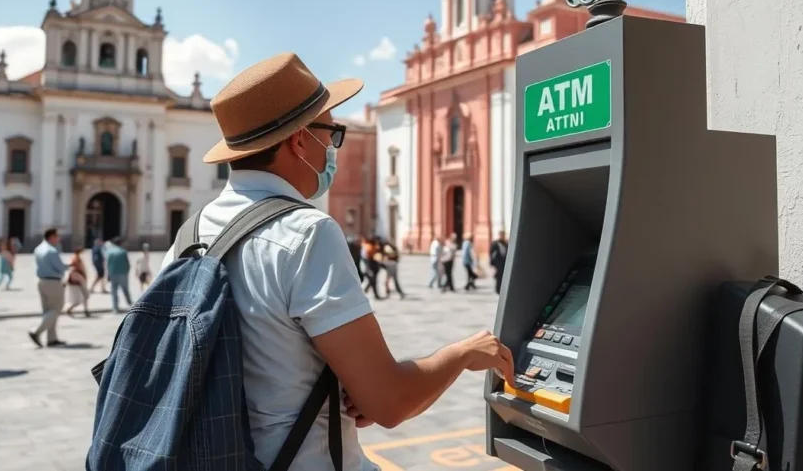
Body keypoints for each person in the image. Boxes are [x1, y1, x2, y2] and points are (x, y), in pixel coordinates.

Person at [157, 52, 514, 471]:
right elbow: (391, 402)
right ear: (299, 140)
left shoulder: (188, 236)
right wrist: (463, 353)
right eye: (331, 134)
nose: (332, 149)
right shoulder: (306, 233)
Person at [29, 228, 68, 348]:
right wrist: (68, 266)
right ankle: (36, 331)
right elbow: (60, 267)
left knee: (48, 311)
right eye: (57, 237)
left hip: (42, 281)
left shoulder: (38, 249)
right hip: (53, 282)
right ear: (51, 237)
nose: (58, 239)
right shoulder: (52, 251)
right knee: (56, 310)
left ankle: (52, 338)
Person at [104, 238, 132, 313]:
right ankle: (130, 304)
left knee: (114, 291)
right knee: (125, 289)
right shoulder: (123, 252)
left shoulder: (109, 252)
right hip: (123, 273)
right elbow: (127, 264)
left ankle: (115, 307)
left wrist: (108, 275)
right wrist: (127, 271)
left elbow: (108, 265)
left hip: (113, 273)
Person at [64, 248, 91, 317]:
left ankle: (85, 310)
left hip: (80, 280)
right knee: (84, 296)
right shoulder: (76, 259)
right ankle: (84, 310)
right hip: (79, 280)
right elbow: (74, 268)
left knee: (84, 296)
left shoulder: (76, 258)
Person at [489, 230, 509, 294]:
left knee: (503, 276)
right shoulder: (495, 243)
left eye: (503, 235)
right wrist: (492, 263)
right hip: (497, 263)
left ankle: (501, 289)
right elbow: (491, 253)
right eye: (501, 235)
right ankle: (498, 290)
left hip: (504, 263)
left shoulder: (506, 243)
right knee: (498, 277)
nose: (502, 236)